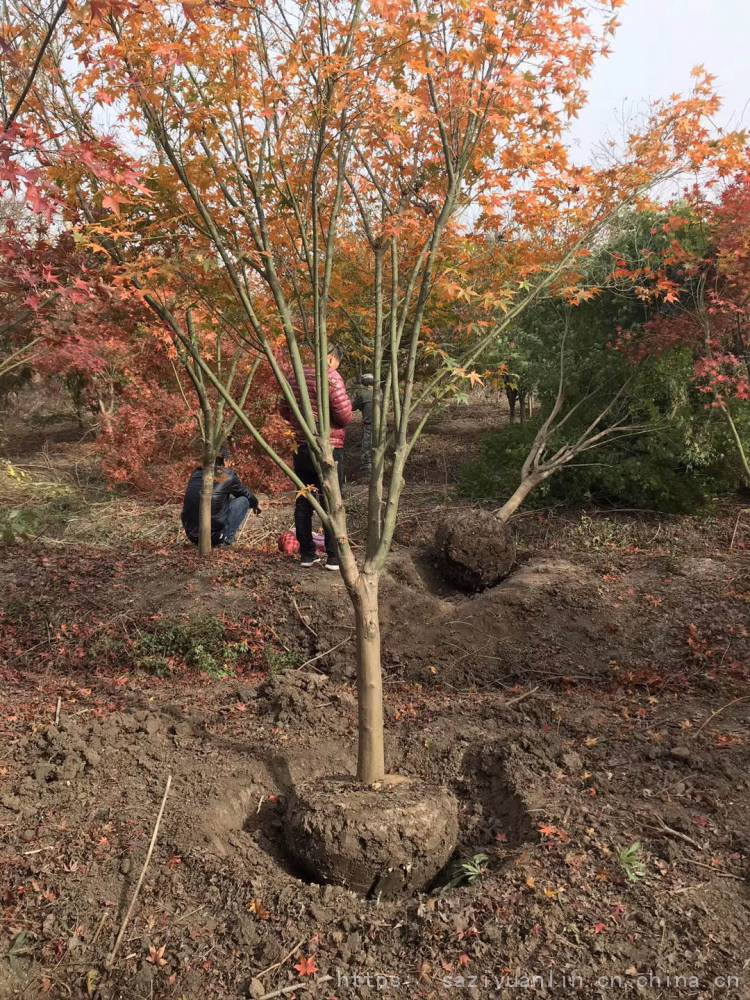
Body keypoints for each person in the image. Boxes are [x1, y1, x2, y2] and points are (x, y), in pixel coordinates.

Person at [281, 345, 353, 570]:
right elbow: (344, 416)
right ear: (331, 359)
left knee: (304, 501)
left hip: (301, 446)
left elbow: (284, 409)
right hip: (328, 448)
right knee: (331, 501)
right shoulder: (332, 378)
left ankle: (307, 554)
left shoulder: (295, 377)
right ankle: (333, 557)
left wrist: (300, 424)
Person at [181, 448, 260, 548]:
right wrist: (256, 504)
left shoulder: (196, 473)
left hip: (191, 534)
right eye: (230, 462)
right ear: (226, 461)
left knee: (225, 497)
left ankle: (214, 538)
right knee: (243, 501)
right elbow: (246, 495)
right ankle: (226, 541)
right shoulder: (227, 475)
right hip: (213, 537)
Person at [352, 373, 374, 476]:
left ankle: (367, 470)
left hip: (369, 425)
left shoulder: (363, 394)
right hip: (382, 426)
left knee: (367, 447)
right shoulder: (380, 393)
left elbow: (353, 407)